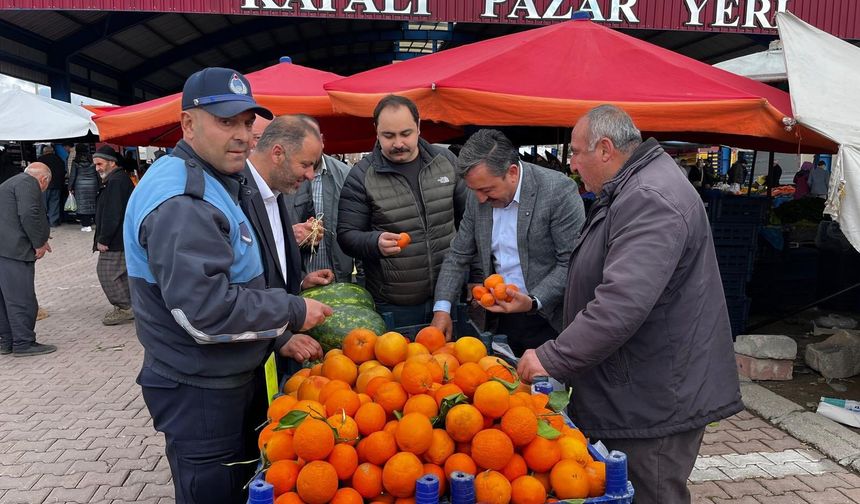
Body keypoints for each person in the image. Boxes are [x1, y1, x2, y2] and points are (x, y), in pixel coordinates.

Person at [123, 67, 332, 504]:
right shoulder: (183, 201)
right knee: (212, 490)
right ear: (188, 124)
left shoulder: (218, 181)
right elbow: (205, 312)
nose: (241, 135)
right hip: (200, 388)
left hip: (224, 375)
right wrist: (292, 311)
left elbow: (239, 272)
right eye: (224, 121)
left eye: (245, 122)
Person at [517, 105, 742, 504]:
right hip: (641, 388)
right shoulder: (633, 187)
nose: (572, 164)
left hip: (654, 401)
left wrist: (553, 358)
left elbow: (621, 302)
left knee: (650, 492)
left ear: (605, 149)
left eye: (576, 153)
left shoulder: (649, 198)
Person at [431, 129, 585, 354]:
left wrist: (533, 300)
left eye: (487, 190)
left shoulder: (557, 191)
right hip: (501, 316)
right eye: (475, 190)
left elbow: (571, 262)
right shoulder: (478, 197)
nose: (480, 198)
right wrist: (442, 308)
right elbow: (457, 255)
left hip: (551, 318)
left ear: (512, 172)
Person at [338, 94, 468, 326]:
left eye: (405, 134)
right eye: (388, 136)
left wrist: (475, 276)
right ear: (376, 131)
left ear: (418, 127)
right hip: (395, 304)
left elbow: (469, 224)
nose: (398, 143)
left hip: (448, 296)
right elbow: (346, 235)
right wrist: (374, 242)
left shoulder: (446, 161)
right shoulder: (361, 176)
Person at [242, 115, 330, 365]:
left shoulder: (276, 192)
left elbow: (269, 268)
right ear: (278, 153)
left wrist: (300, 281)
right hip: (250, 352)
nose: (311, 175)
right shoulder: (238, 195)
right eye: (305, 164)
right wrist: (279, 339)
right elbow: (238, 290)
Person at [290, 114, 355, 283]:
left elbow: (358, 226)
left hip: (338, 278)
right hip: (297, 280)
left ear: (321, 140)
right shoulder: (284, 177)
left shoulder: (345, 175)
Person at [0, 163, 56, 357]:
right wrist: (39, 242)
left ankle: (7, 341)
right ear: (43, 180)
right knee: (21, 298)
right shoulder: (28, 183)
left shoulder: (10, 183)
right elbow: (28, 214)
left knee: (4, 299)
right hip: (13, 251)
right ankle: (24, 342)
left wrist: (41, 235)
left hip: (4, 249)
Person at [92, 145, 135, 326]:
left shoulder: (116, 181)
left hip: (116, 239)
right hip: (120, 237)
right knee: (120, 274)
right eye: (95, 165)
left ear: (112, 163)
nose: (97, 168)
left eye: (100, 164)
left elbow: (112, 213)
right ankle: (129, 305)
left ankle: (125, 307)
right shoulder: (116, 179)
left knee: (107, 273)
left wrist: (103, 239)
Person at [69, 144, 98, 232]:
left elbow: (73, 175)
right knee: (93, 203)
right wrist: (100, 184)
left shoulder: (76, 161)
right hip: (93, 184)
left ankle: (86, 225)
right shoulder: (93, 160)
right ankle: (96, 222)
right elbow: (97, 173)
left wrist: (70, 187)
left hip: (80, 185)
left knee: (83, 205)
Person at [36, 145, 66, 227]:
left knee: (43, 204)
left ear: (44, 152)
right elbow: (63, 171)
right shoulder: (59, 159)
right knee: (54, 204)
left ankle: (43, 222)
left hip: (44, 184)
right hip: (56, 185)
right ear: (53, 152)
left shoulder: (41, 160)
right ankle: (53, 222)